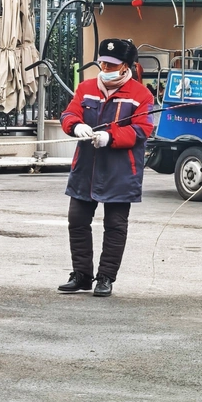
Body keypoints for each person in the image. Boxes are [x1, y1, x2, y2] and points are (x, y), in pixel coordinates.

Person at [58, 38, 154, 297]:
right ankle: (81, 275)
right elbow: (69, 114)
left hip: (121, 171)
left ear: (126, 66)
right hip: (86, 168)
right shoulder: (86, 88)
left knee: (115, 225)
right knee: (77, 221)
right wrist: (76, 125)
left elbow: (143, 129)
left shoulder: (141, 95)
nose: (105, 68)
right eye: (102, 63)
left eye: (112, 64)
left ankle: (106, 278)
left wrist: (111, 137)